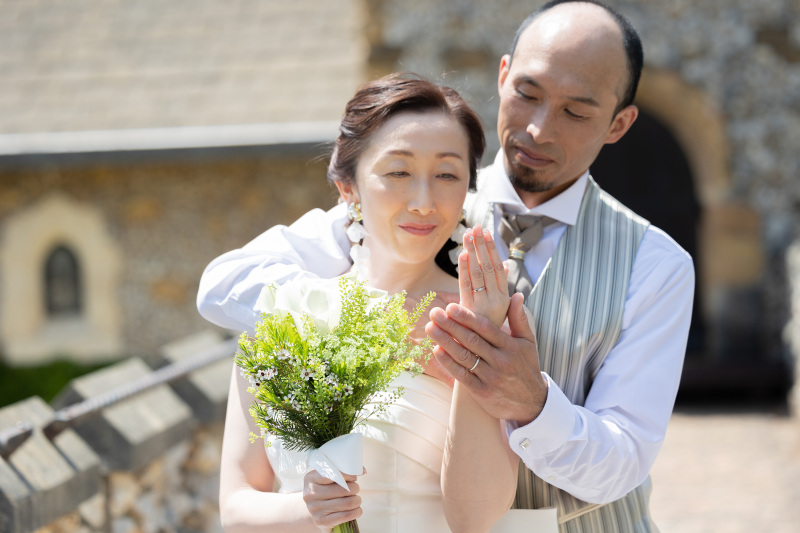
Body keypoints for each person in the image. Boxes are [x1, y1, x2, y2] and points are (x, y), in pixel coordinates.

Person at [201, 1, 695, 531]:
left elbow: (621, 461)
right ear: (503, 77)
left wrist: (532, 402)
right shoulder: (412, 210)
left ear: (619, 124)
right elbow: (225, 285)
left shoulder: (655, 264)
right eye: (527, 94)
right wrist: (386, 323)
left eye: (576, 112)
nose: (538, 128)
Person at [216, 73, 532, 532]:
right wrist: (308, 510)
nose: (424, 202)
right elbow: (236, 507)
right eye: (398, 172)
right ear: (349, 188)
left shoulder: (484, 318)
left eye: (447, 174)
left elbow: (476, 517)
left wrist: (477, 345)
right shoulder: (287, 311)